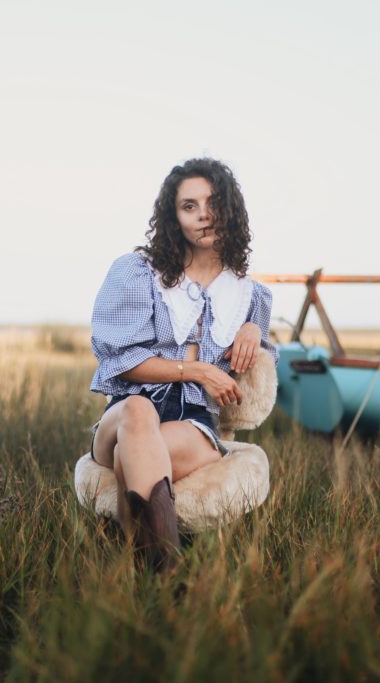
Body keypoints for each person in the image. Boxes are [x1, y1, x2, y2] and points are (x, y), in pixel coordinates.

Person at [89, 158, 278, 572]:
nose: (203, 215)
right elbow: (118, 361)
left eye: (212, 203)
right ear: (174, 218)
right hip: (127, 411)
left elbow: (264, 347)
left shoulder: (250, 297)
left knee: (133, 459)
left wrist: (251, 329)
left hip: (193, 422)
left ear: (230, 209)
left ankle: (157, 574)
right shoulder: (139, 272)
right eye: (189, 206)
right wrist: (196, 370)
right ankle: (171, 579)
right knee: (138, 417)